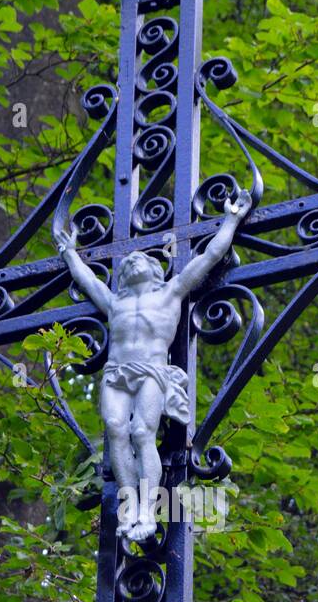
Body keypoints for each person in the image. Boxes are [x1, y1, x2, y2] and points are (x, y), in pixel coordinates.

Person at [55, 189, 251, 540]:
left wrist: (231, 220)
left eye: (139, 261)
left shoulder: (170, 293)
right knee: (115, 430)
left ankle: (148, 510)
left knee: (142, 433)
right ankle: (129, 507)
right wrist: (69, 252)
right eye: (127, 262)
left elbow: (210, 256)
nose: (132, 262)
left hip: (151, 371)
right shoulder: (114, 303)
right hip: (116, 373)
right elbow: (87, 280)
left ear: (154, 271)